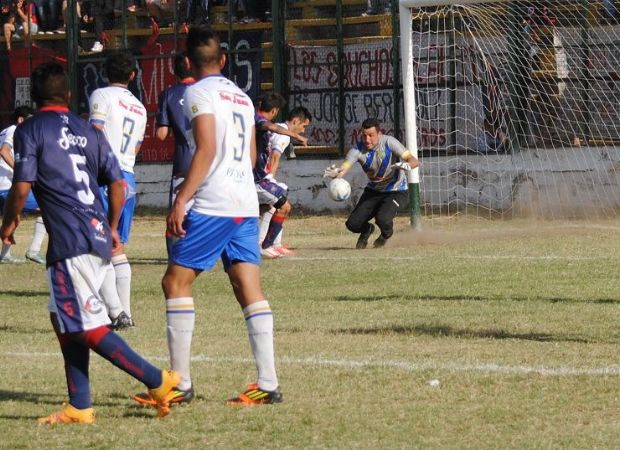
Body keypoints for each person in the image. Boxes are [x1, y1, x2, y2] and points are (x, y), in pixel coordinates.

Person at [0, 61, 179, 424]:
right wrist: (112, 227)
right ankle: (80, 405)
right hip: (96, 234)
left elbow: (21, 186)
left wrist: (9, 223)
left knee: (83, 326)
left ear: (34, 99)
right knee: (61, 316)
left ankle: (157, 380)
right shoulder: (88, 129)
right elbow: (118, 184)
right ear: (68, 96)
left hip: (70, 240)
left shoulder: (30, 129)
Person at [132, 25, 282, 408]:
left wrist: (182, 198)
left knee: (175, 282)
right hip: (244, 202)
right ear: (224, 59)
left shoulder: (197, 92)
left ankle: (179, 383)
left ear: (186, 61)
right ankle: (267, 382)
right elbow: (249, 158)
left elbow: (207, 148)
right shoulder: (243, 98)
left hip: (214, 202)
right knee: (246, 285)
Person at [89, 50, 147, 324]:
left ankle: (112, 311)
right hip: (128, 178)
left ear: (104, 73)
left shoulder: (101, 96)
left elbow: (96, 131)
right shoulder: (140, 107)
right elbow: (136, 147)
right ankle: (126, 313)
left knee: (95, 246)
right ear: (132, 75)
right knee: (117, 246)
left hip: (105, 177)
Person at [324, 118, 420, 249]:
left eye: (371, 135)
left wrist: (405, 165)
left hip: (397, 191)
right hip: (373, 191)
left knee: (383, 219)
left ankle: (386, 235)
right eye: (364, 135)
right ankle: (367, 230)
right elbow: (345, 167)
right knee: (352, 224)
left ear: (379, 134)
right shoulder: (357, 150)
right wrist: (337, 174)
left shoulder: (389, 142)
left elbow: (414, 161)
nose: (367, 139)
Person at [155, 53, 195, 257]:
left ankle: (176, 257)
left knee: (177, 212)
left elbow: (161, 135)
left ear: (175, 71)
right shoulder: (206, 91)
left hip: (184, 162)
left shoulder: (168, 94)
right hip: (210, 162)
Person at [258, 106, 311, 259]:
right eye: (303, 126)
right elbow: (275, 156)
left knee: (275, 203)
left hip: (258, 175)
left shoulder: (278, 129)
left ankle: (274, 244)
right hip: (261, 178)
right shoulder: (284, 135)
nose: (303, 131)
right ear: (295, 121)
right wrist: (270, 180)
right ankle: (265, 243)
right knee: (277, 202)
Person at [0, 105, 48, 264]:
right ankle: (33, 251)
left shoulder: (6, 131)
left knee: (15, 218)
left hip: (5, 184)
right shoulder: (15, 130)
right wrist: (19, 168)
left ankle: (5, 256)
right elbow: (4, 151)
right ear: (21, 120)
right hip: (6, 185)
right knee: (46, 207)